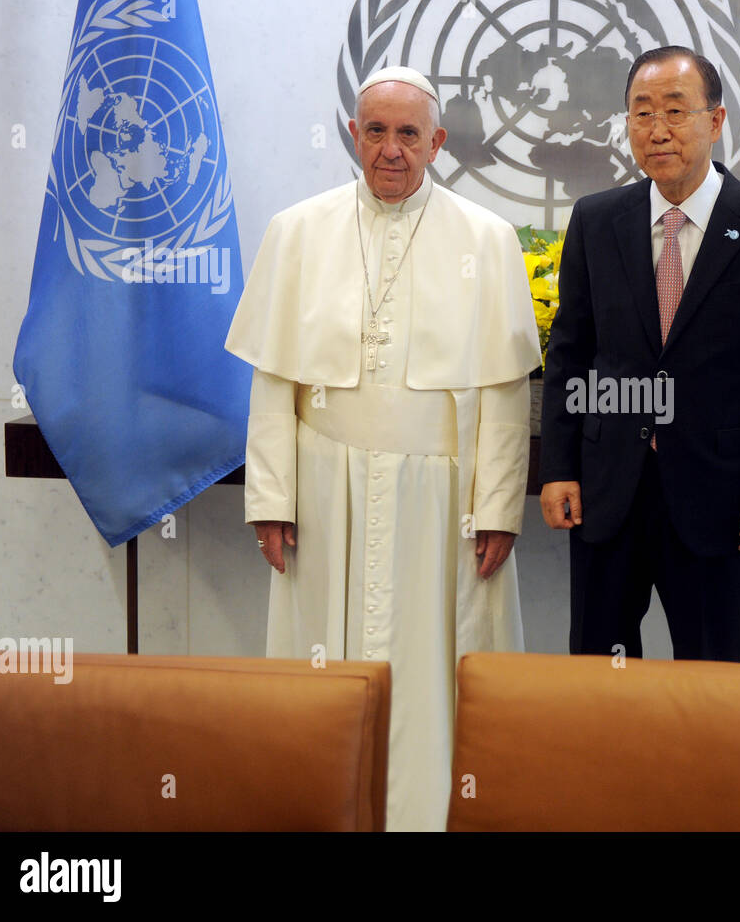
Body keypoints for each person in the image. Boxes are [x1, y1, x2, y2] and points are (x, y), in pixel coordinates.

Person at [225, 66, 541, 831]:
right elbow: (275, 382)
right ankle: (323, 808)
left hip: (440, 501)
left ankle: (426, 813)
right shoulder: (297, 231)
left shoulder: (487, 238)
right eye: (376, 130)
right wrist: (270, 498)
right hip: (325, 493)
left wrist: (498, 507)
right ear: (351, 135)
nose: (391, 149)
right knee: (320, 661)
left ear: (436, 141)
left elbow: (502, 392)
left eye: (408, 133)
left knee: (435, 670)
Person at [539, 46, 740, 662]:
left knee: (710, 673)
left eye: (676, 110)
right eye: (642, 113)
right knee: (599, 669)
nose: (657, 130)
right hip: (610, 490)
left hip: (719, 499)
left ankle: (705, 767)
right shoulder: (596, 219)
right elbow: (571, 355)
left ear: (715, 122)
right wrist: (558, 466)